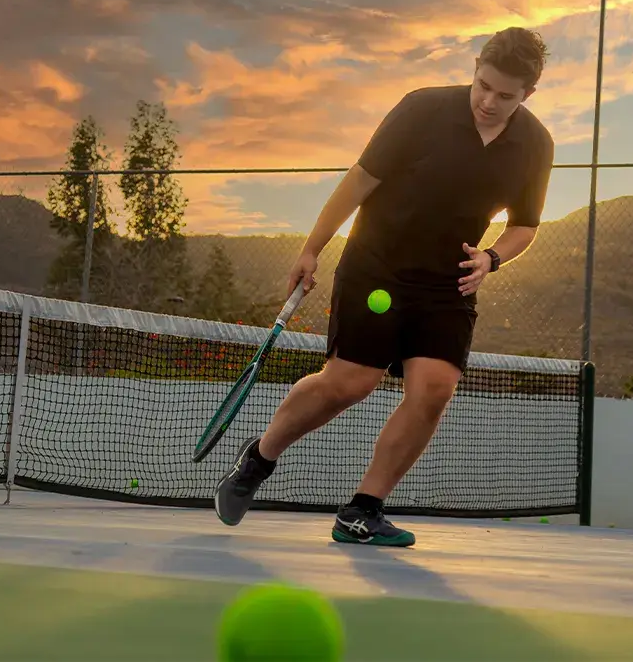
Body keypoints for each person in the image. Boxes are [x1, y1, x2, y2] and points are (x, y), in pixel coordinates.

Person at [213, 27, 555, 547]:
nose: (488, 101)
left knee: (435, 390)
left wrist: (492, 258)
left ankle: (361, 510)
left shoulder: (535, 144)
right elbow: (359, 180)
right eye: (483, 85)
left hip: (449, 283)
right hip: (376, 267)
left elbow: (525, 226)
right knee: (350, 384)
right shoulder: (421, 110)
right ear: (475, 67)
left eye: (505, 95)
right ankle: (260, 457)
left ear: (527, 95)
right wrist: (312, 248)